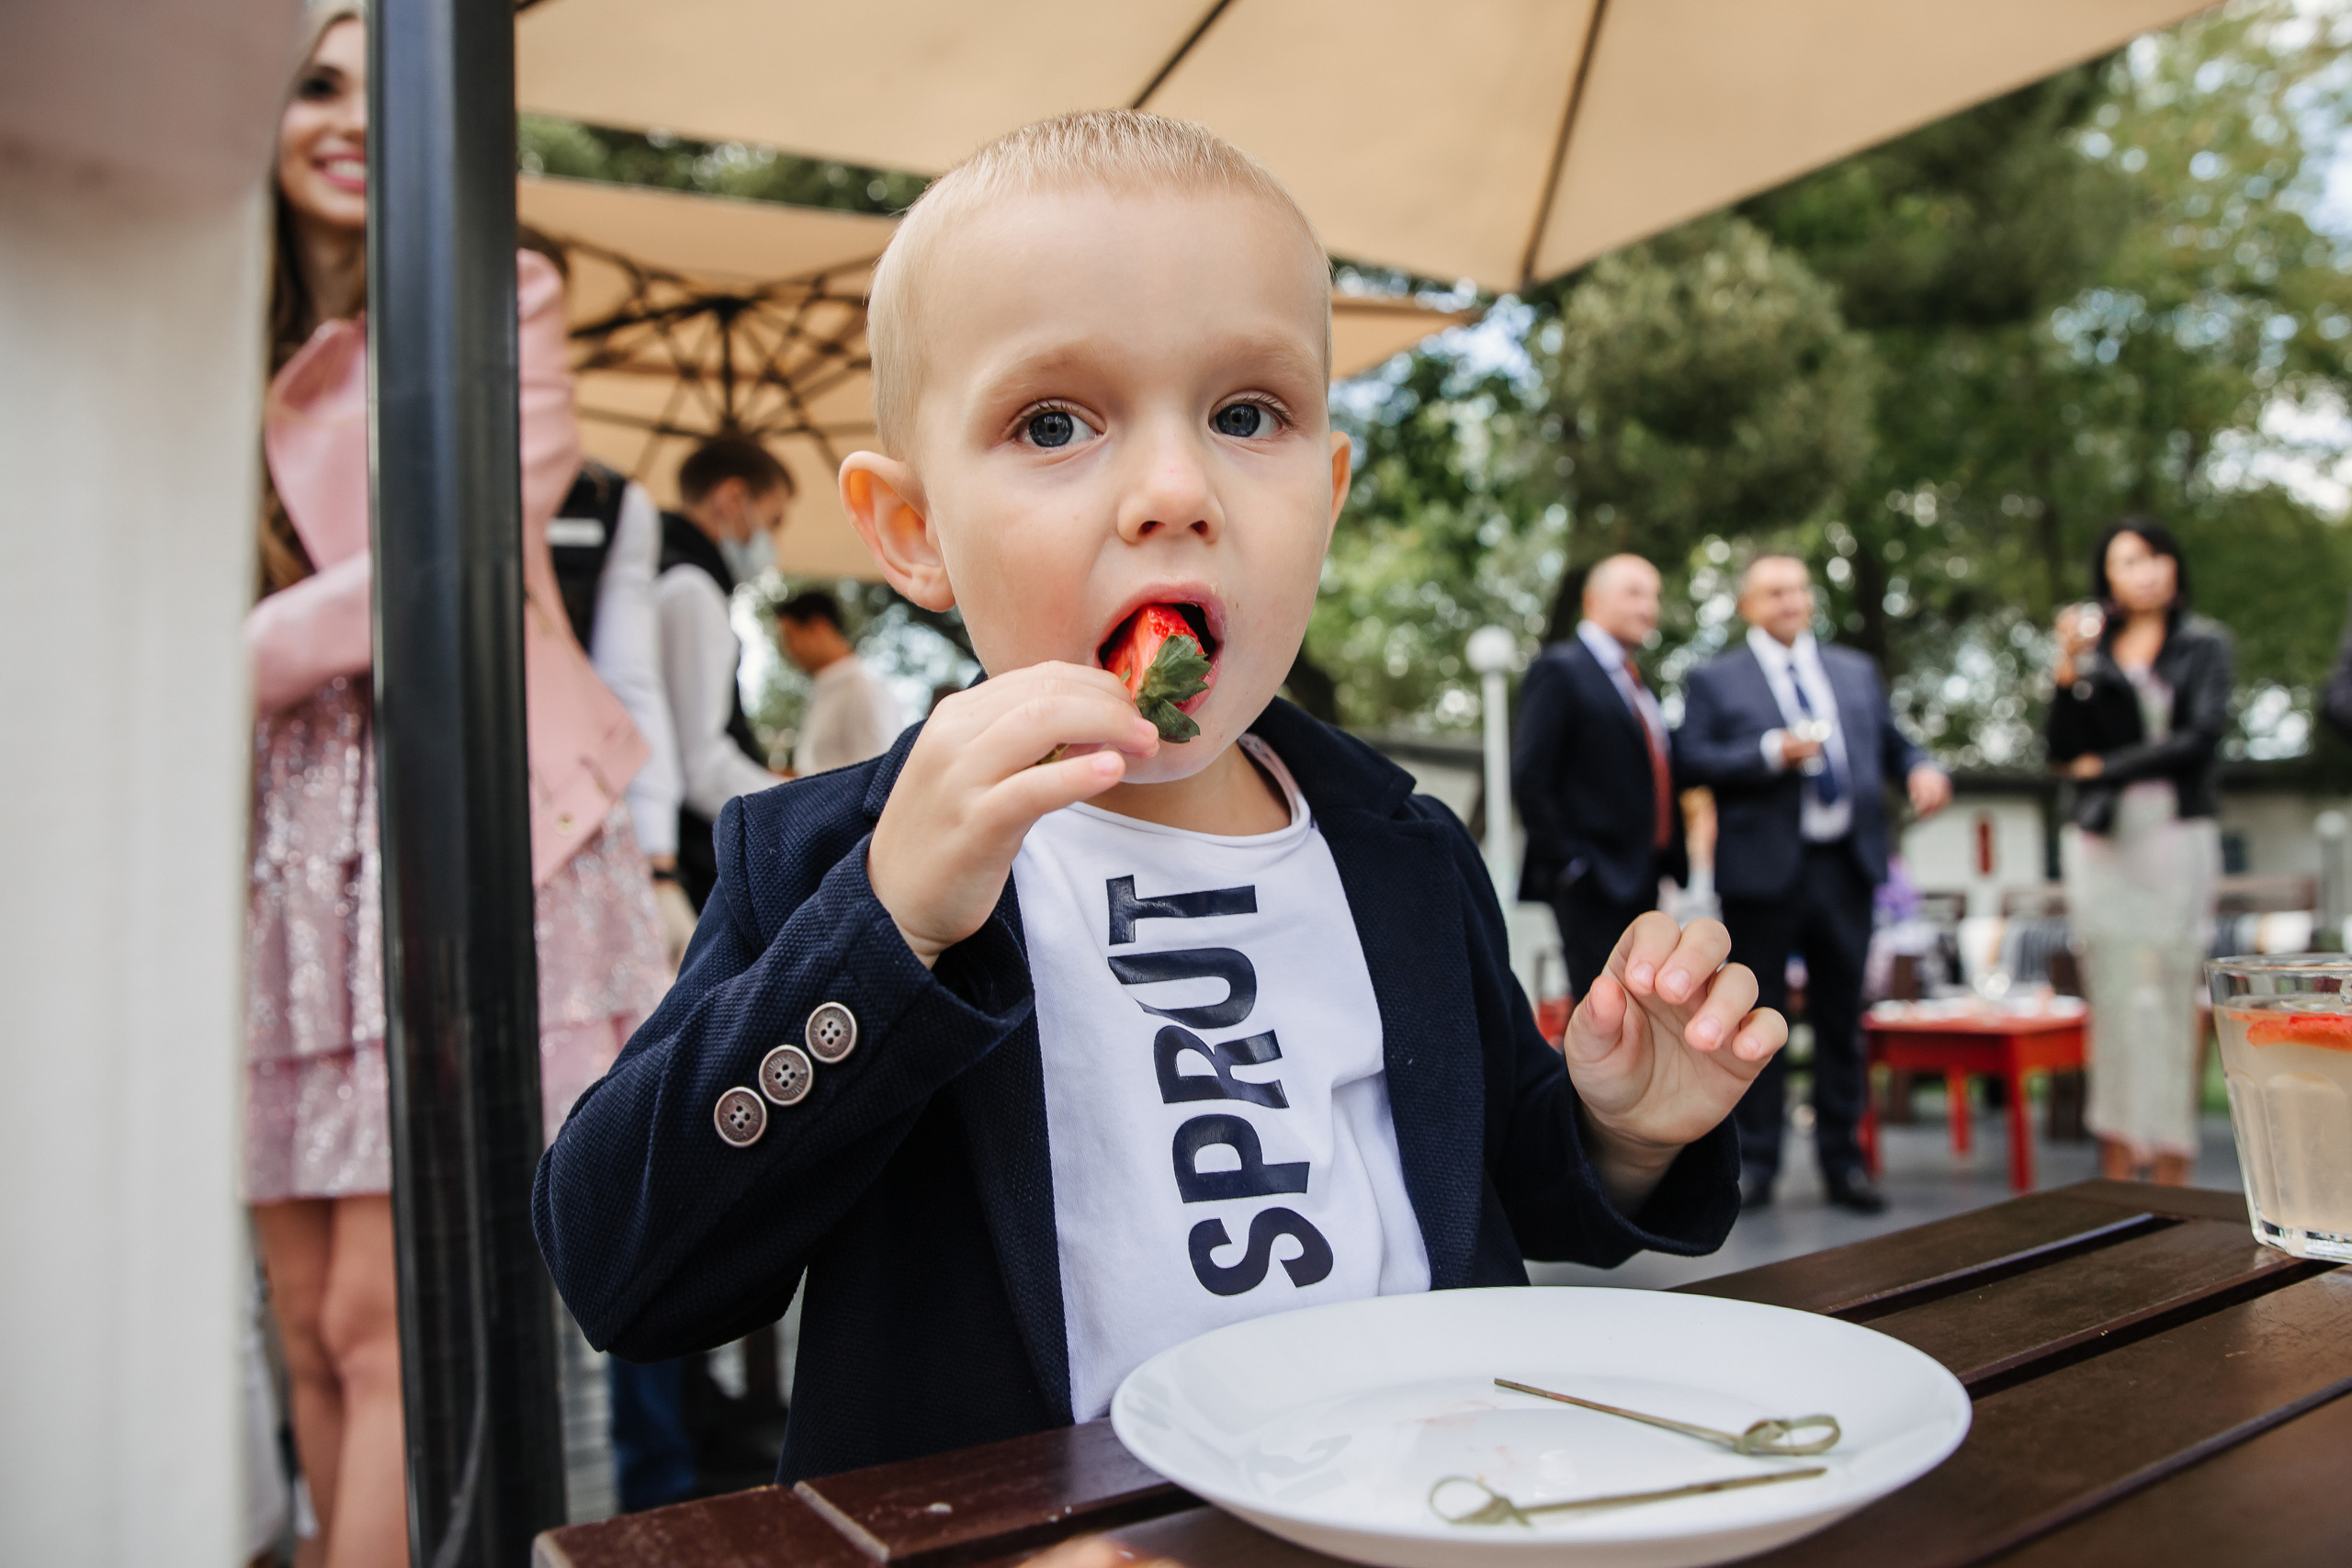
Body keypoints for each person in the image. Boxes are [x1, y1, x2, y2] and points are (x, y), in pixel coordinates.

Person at [535, 109, 1786, 1483]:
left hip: (1415, 1503)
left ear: (1328, 494)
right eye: (1053, 423)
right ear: (914, 530)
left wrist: (1624, 1129)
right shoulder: (839, 860)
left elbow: (1502, 1185)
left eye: (1247, 414)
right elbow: (622, 1270)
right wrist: (887, 934)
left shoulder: (1403, 849)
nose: (1175, 492)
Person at [243, 9, 668, 1562]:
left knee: (387, 1322)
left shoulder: (502, 287)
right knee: (300, 1318)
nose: (353, 119)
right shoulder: (190, 301)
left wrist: (219, 662)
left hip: (454, 799)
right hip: (266, 846)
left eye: (385, 82)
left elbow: (452, 542)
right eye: (315, 83)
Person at [1674, 555, 1951, 1213]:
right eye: (1775, 591)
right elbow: (1690, 758)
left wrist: (1923, 766)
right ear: (1747, 605)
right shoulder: (1715, 679)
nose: (1791, 600)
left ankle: (1843, 1161)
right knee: (1757, 1019)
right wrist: (1771, 751)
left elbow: (1894, 743)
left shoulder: (1854, 670)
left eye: (1799, 589)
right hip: (1762, 874)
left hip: (1845, 868)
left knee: (1842, 1019)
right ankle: (1757, 1162)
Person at [2047, 519, 2229, 1186]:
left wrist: (2108, 766)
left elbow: (2201, 737)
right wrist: (2066, 667)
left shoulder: (2204, 644)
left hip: (2175, 833)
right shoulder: (2094, 655)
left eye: (2155, 556)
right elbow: (2062, 751)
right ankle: (2120, 1159)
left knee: (2174, 992)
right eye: (2129, 560)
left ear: (2174, 565)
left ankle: (2174, 1156)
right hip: (2103, 843)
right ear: (2108, 577)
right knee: (2115, 995)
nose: (2146, 571)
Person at [1512, 554, 1687, 998]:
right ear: (1593, 600)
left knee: (1637, 1009)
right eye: (1634, 593)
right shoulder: (1561, 669)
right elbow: (1531, 775)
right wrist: (1572, 866)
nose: (1648, 607)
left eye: (1654, 596)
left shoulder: (1639, 685)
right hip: (1593, 880)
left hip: (1644, 877)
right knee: (1601, 1011)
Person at [656, 435, 790, 910]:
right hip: (691, 861)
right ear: (733, 498)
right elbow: (701, 765)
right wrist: (802, 803)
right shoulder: (692, 588)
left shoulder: (662, 568)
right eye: (773, 521)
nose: (771, 542)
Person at [775, 590, 906, 775]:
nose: (788, 650)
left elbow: (877, 775)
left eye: (790, 636)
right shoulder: (827, 691)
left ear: (818, 627)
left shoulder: (862, 691)